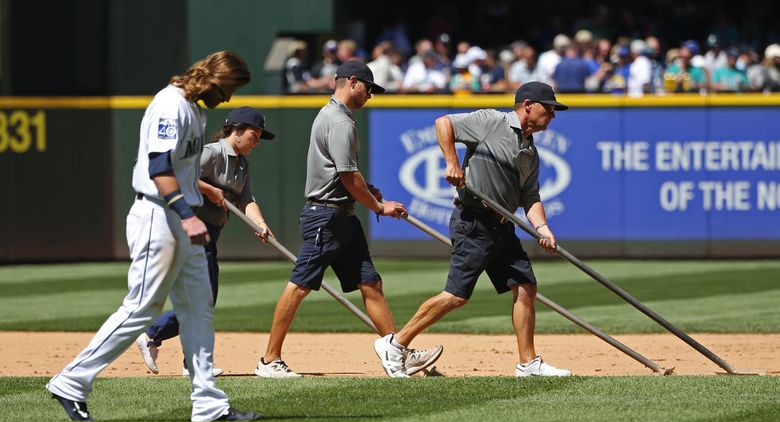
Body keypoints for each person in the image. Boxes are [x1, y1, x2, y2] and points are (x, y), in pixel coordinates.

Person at [46, 51, 262, 422]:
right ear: (214, 79)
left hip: (181, 216)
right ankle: (71, 381)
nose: (228, 98)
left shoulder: (195, 109)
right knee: (141, 306)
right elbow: (158, 165)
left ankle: (208, 403)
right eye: (228, 88)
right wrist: (186, 215)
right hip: (159, 215)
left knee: (198, 307)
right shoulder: (170, 104)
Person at [255, 60, 443, 378]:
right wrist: (378, 206)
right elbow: (346, 174)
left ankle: (397, 353)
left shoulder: (335, 116)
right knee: (299, 285)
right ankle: (269, 360)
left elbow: (343, 173)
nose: (370, 95)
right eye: (369, 89)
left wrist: (368, 190)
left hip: (341, 215)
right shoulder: (340, 121)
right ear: (353, 82)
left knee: (371, 284)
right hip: (326, 216)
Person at [374, 81, 572, 378]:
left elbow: (530, 198)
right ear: (528, 105)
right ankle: (396, 344)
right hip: (474, 222)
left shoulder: (531, 152)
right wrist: (452, 163)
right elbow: (444, 123)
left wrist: (543, 228)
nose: (554, 115)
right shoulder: (493, 121)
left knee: (526, 287)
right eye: (550, 108)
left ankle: (528, 364)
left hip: (503, 228)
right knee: (456, 296)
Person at [134, 106, 276, 376]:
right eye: (253, 135)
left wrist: (260, 224)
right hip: (189, 229)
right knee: (203, 298)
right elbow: (176, 173)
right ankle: (163, 341)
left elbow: (246, 200)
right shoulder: (211, 153)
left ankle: (175, 350)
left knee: (200, 298)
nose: (256, 142)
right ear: (236, 131)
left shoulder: (242, 165)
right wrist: (210, 189)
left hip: (211, 234)